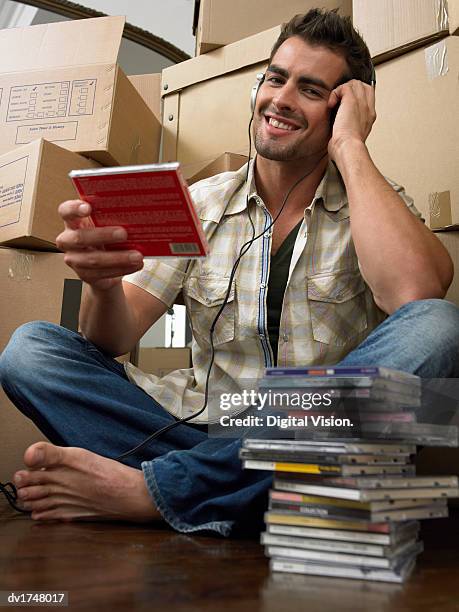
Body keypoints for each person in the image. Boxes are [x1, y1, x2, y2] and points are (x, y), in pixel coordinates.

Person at [1, 9, 458, 535]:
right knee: (30, 352)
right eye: (275, 77)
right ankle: (240, 490)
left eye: (311, 90)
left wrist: (351, 146)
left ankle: (153, 491)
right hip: (195, 429)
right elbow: (113, 337)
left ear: (344, 109)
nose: (281, 99)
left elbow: (416, 295)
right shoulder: (201, 202)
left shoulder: (375, 202)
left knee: (440, 327)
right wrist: (102, 287)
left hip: (312, 429)